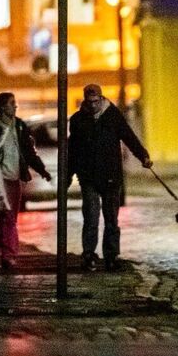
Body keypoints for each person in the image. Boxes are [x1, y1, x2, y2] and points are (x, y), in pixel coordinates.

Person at [69, 84, 152, 272]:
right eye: (89, 102)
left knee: (111, 218)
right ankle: (89, 255)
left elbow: (128, 137)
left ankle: (111, 255)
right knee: (91, 216)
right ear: (85, 100)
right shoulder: (77, 120)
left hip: (111, 175)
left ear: (101, 98)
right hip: (88, 176)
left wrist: (143, 156)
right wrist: (69, 174)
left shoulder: (113, 116)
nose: (92, 106)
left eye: (95, 102)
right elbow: (73, 150)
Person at [0, 92, 52, 270]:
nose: (15, 106)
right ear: (2, 106)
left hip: (14, 177)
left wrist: (42, 170)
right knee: (7, 218)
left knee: (8, 220)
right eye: (12, 103)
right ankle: (8, 256)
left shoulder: (19, 125)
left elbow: (29, 150)